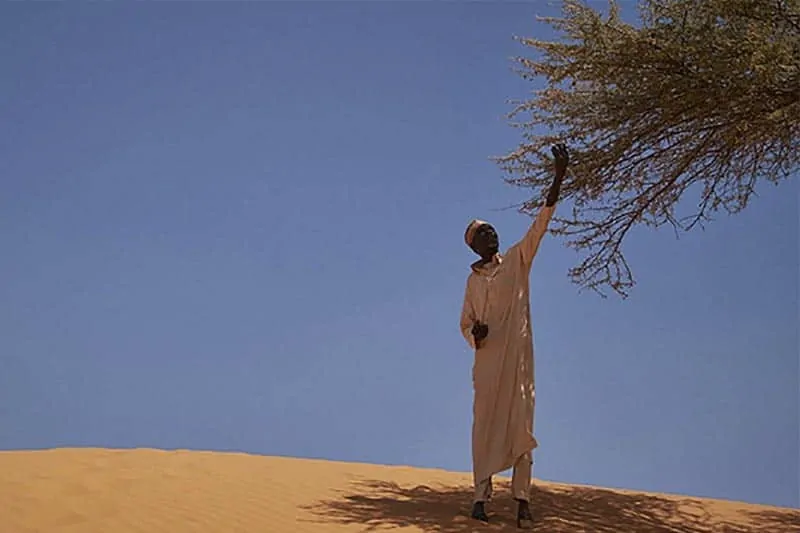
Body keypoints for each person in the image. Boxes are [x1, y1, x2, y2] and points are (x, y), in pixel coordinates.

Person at [460, 143, 569, 527]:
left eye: (492, 229)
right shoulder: (472, 283)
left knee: (522, 425)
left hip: (518, 361)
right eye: (483, 233)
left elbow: (540, 225)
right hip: (488, 363)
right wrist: (477, 331)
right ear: (473, 245)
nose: (491, 234)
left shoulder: (518, 261)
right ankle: (480, 498)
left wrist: (558, 178)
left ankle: (522, 499)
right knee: (484, 427)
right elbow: (464, 323)